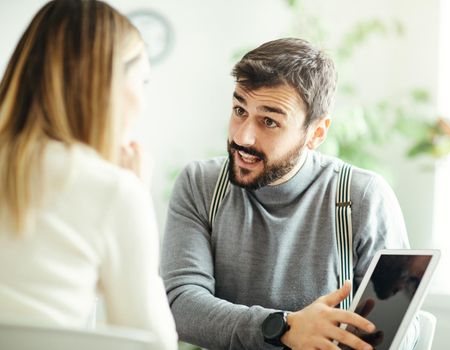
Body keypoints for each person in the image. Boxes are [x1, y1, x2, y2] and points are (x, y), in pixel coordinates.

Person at [162, 38, 417, 350]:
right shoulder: (200, 184)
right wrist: (284, 327)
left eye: (269, 121)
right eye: (239, 110)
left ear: (316, 133)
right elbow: (179, 305)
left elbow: (403, 326)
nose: (242, 136)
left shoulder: (362, 197)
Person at [0, 1, 177, 349]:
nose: (143, 100)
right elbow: (154, 343)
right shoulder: (112, 191)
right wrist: (136, 195)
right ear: (106, 84)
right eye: (141, 80)